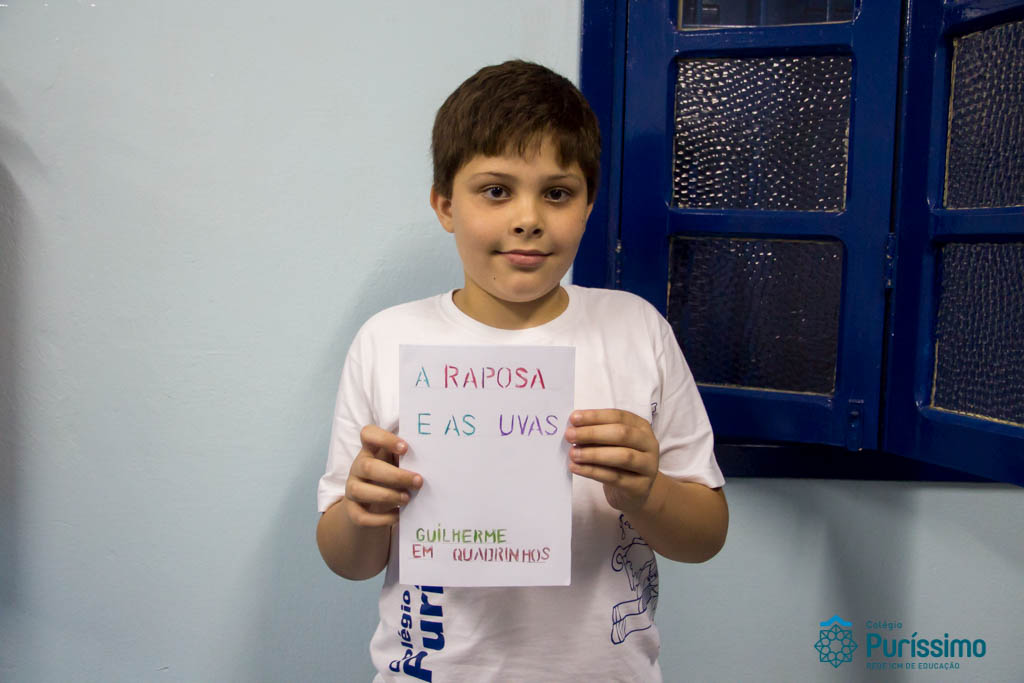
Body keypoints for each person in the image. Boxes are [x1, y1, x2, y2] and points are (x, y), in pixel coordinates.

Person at [316, 60, 728, 681]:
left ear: (588, 206)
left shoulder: (636, 330)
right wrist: (361, 511)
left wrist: (649, 493)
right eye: (496, 190)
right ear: (444, 205)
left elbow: (706, 536)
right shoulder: (387, 340)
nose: (528, 218)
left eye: (557, 193)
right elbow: (348, 560)